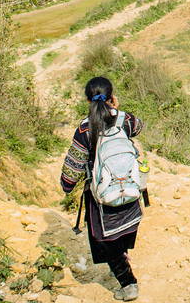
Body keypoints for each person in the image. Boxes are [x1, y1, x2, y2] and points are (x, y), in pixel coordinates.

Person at [61, 77, 145, 301]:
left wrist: (67, 186)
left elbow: (74, 165)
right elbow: (139, 127)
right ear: (112, 97)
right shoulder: (124, 120)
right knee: (123, 231)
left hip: (101, 198)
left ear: (88, 100)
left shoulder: (84, 128)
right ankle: (122, 260)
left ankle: (128, 284)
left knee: (105, 241)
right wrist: (116, 111)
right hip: (129, 191)